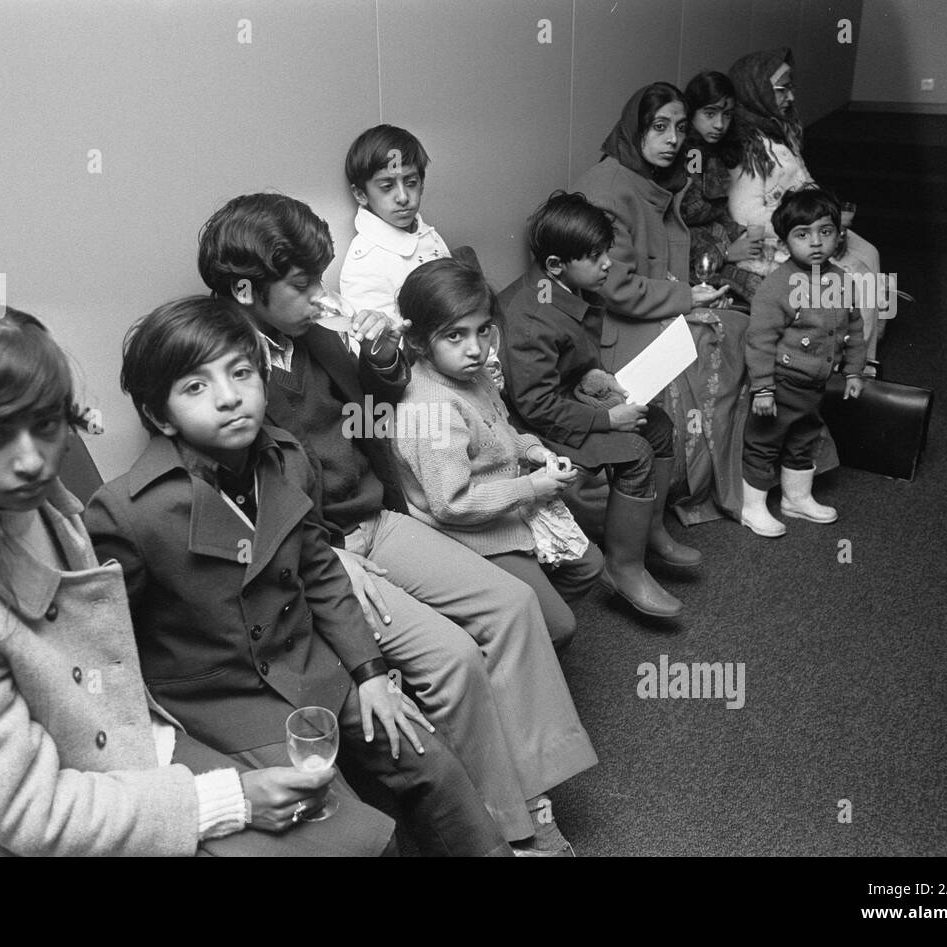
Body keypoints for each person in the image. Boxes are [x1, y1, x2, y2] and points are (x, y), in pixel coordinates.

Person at [0, 307, 392, 856]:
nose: (32, 458)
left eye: (47, 424)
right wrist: (229, 798)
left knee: (355, 831)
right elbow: (31, 816)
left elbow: (94, 677)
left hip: (106, 759)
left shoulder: (32, 503)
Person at [197, 193, 598, 856]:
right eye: (304, 284)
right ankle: (506, 822)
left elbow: (372, 406)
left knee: (516, 606)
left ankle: (530, 785)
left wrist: (382, 360)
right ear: (244, 290)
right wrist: (324, 549)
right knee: (454, 657)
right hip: (323, 551)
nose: (319, 295)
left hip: (373, 516)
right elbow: (241, 490)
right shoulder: (226, 368)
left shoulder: (308, 336)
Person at [85, 297, 510, 857]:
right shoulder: (126, 512)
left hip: (313, 670)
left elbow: (322, 572)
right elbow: (104, 653)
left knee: (433, 764)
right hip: (225, 704)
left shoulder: (287, 458)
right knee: (354, 833)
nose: (230, 396)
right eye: (195, 387)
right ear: (161, 416)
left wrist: (371, 674)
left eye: (240, 373)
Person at [498, 191, 700, 619]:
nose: (607, 262)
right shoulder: (532, 314)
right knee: (635, 451)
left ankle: (651, 531)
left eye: (605, 251)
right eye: (594, 256)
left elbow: (570, 362)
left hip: (568, 401)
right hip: (539, 425)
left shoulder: (562, 289)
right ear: (556, 265)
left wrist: (596, 378)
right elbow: (535, 406)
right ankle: (624, 568)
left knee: (658, 424)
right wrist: (607, 418)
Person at [391, 257, 605, 650]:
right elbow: (452, 505)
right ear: (420, 342)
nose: (476, 349)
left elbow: (501, 436)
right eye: (455, 336)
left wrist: (534, 451)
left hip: (505, 505)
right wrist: (532, 488)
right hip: (470, 533)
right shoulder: (432, 410)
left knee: (589, 566)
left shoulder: (474, 376)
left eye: (483, 330)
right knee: (560, 627)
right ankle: (518, 646)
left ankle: (522, 635)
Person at [571, 82, 749, 527]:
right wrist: (687, 297)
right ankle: (708, 488)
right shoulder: (611, 189)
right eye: (659, 126)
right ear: (636, 129)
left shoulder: (643, 176)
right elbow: (616, 288)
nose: (673, 139)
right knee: (722, 335)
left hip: (646, 306)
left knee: (738, 325)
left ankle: (728, 482)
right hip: (613, 324)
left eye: (680, 128)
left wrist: (684, 293)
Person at [727, 48, 885, 376]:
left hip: (804, 221)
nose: (790, 96)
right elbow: (745, 211)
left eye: (790, 87)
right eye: (781, 88)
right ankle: (851, 369)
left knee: (870, 253)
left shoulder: (778, 129)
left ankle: (864, 357)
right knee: (856, 279)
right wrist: (809, 226)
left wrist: (829, 214)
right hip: (779, 238)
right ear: (757, 88)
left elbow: (803, 181)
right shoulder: (748, 143)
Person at [742, 187, 865, 537]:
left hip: (815, 385)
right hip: (781, 383)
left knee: (804, 439)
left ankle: (796, 498)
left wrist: (854, 369)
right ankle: (753, 508)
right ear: (784, 243)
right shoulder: (777, 286)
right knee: (765, 442)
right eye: (802, 235)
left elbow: (853, 326)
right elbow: (760, 339)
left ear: (838, 236)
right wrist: (763, 388)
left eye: (824, 232)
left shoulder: (841, 279)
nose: (815, 243)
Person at [339, 124, 452, 324]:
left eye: (411, 183)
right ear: (360, 194)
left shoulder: (428, 235)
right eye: (387, 186)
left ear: (422, 184)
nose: (402, 197)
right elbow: (381, 345)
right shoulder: (365, 263)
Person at [680, 70, 764, 300]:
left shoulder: (713, 151)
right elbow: (684, 215)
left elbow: (715, 211)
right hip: (689, 263)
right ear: (691, 112)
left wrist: (740, 235)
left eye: (726, 115)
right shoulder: (691, 154)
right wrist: (726, 251)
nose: (719, 124)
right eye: (710, 113)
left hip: (715, 248)